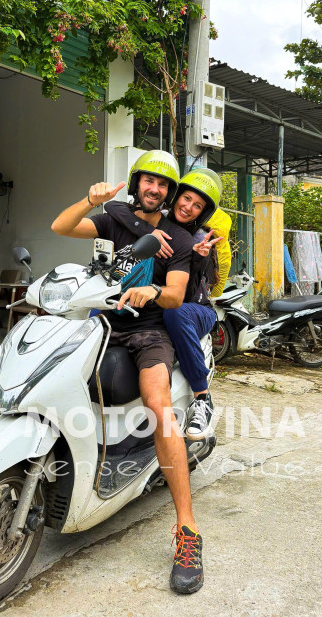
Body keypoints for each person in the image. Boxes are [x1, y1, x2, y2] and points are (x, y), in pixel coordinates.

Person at [51, 150, 206, 595]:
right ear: (137, 182)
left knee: (158, 406)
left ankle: (188, 530)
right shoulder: (114, 217)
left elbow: (176, 295)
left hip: (149, 333)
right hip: (99, 324)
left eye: (163, 185)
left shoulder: (177, 236)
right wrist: (88, 199)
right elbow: (62, 227)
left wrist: (152, 289)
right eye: (148, 181)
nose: (155, 189)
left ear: (169, 192)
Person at [105, 168, 228, 441]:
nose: (188, 208)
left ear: (202, 213)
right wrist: (149, 231)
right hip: (151, 308)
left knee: (175, 314)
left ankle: (202, 398)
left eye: (197, 206)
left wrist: (198, 259)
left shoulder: (198, 238)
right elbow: (113, 207)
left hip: (194, 309)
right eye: (186, 199)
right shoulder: (155, 222)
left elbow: (185, 294)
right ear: (175, 198)